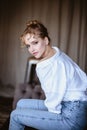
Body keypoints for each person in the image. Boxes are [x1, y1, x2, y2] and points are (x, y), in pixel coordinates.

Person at [9, 20, 87, 130]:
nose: (31, 49)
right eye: (28, 46)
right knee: (21, 103)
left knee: (15, 115)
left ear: (45, 40)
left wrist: (48, 117)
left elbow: (55, 95)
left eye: (35, 43)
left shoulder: (53, 64)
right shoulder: (56, 54)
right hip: (71, 105)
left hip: (71, 116)